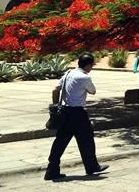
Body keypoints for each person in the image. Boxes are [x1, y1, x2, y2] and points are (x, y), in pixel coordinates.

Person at [44, 53, 108, 181]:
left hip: (65, 113)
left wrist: (56, 106)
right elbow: (93, 91)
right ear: (88, 65)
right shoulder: (84, 77)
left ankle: (51, 170)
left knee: (60, 142)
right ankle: (91, 166)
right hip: (78, 113)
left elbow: (55, 90)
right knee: (87, 140)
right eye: (92, 65)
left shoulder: (68, 73)